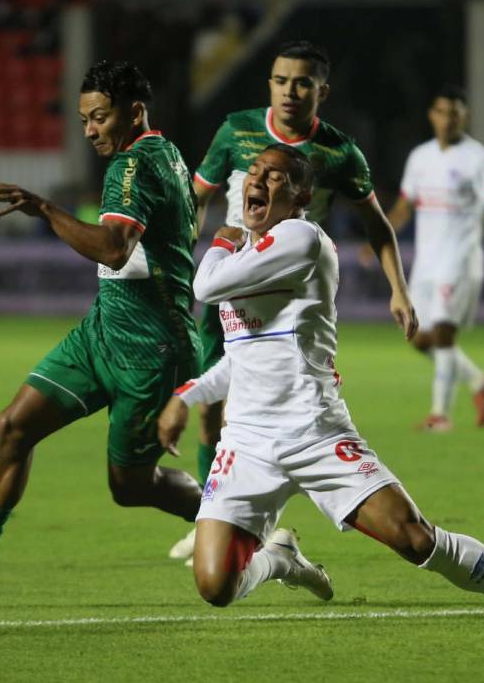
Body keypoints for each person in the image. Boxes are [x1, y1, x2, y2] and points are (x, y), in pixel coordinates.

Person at [158, 144, 484, 625]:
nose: (258, 180)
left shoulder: (301, 237)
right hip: (247, 441)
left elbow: (203, 287)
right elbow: (241, 357)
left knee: (415, 537)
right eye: (255, 172)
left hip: (313, 432)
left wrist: (219, 239)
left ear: (301, 195)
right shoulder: (246, 254)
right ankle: (280, 558)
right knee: (215, 585)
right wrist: (188, 395)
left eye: (275, 176)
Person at [0, 61, 201, 603]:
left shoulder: (131, 165)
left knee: (129, 487)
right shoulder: (166, 151)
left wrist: (44, 209)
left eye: (100, 117)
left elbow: (113, 246)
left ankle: (246, 521)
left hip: (151, 348)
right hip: (105, 329)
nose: (90, 131)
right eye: (84, 119)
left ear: (134, 112)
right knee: (14, 426)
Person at [169, 40, 412, 561]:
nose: (290, 91)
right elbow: (197, 196)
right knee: (215, 408)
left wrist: (400, 288)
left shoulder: (339, 151)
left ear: (322, 91)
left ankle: (280, 495)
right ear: (270, 84)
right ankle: (218, 514)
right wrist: (183, 257)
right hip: (232, 273)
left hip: (287, 287)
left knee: (284, 389)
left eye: (303, 82)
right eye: (281, 80)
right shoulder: (237, 131)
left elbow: (377, 224)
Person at [385, 85, 484, 433]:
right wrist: (381, 238)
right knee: (419, 337)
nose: (448, 119)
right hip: (425, 263)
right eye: (442, 112)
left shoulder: (480, 159)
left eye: (455, 113)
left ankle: (440, 415)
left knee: (445, 334)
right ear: (431, 115)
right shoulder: (420, 157)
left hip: (459, 261)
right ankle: (480, 383)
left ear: (465, 117)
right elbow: (406, 204)